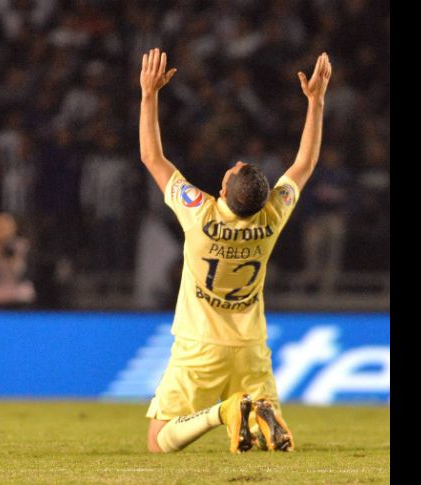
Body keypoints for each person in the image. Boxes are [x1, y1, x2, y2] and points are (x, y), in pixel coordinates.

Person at [138, 48, 331, 453]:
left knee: (158, 441)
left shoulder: (200, 213)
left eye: (232, 171)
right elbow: (304, 164)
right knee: (264, 433)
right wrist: (316, 103)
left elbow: (152, 157)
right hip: (250, 346)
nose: (235, 163)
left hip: (200, 343)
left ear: (222, 192)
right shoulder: (270, 218)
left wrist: (148, 94)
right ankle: (253, 414)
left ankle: (223, 412)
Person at [0, 212, 36, 309]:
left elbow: (30, 275)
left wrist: (15, 260)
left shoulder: (23, 247)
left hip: (19, 292)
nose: (2, 231)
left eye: (5, 227)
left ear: (13, 228)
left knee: (26, 292)